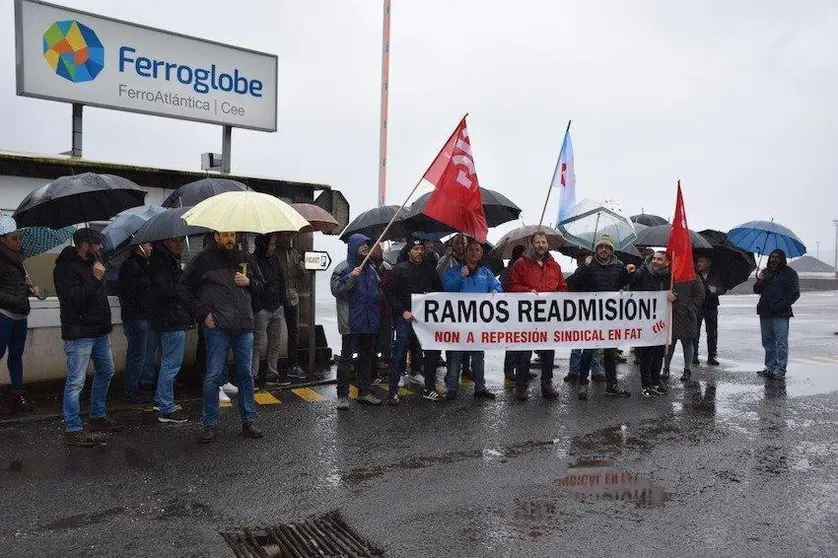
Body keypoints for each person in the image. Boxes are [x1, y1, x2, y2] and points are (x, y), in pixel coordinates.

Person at [178, 230, 265, 444]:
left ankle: (249, 421)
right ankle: (209, 424)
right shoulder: (202, 260)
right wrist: (201, 314)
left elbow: (263, 287)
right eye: (225, 235)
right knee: (213, 376)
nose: (230, 240)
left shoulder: (245, 258)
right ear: (216, 236)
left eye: (233, 236)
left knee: (246, 374)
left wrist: (249, 282)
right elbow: (182, 288)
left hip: (243, 326)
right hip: (217, 326)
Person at [54, 228, 122, 447]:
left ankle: (97, 416)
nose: (100, 247)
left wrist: (97, 275)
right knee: (76, 381)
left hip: (99, 330)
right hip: (79, 332)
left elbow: (97, 298)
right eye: (97, 243)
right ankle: (73, 428)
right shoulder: (65, 269)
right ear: (83, 244)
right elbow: (74, 299)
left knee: (106, 371)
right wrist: (95, 278)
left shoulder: (95, 263)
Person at [507, 231, 567, 401]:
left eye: (543, 242)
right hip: (527, 317)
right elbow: (512, 286)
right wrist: (527, 291)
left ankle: (546, 384)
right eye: (538, 242)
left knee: (548, 352)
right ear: (532, 244)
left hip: (548, 317)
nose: (541, 245)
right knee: (524, 353)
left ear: (547, 245)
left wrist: (559, 295)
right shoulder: (521, 263)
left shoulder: (554, 266)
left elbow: (562, 286)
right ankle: (521, 386)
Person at [569, 235, 631, 399]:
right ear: (596, 249)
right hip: (591, 317)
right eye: (601, 247)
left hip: (610, 318)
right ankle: (583, 385)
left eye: (607, 247)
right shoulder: (589, 266)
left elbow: (628, 283)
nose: (604, 249)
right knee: (588, 352)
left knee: (610, 353)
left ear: (611, 250)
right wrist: (584, 267)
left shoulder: (619, 267)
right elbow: (574, 284)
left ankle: (612, 385)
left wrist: (625, 287)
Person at [386, 238, 444, 405]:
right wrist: (402, 312)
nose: (419, 252)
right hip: (405, 318)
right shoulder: (399, 270)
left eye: (421, 249)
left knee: (432, 352)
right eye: (416, 249)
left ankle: (430, 388)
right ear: (409, 251)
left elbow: (440, 292)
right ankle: (392, 391)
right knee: (399, 353)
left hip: (426, 320)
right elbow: (390, 293)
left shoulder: (430, 270)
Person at [443, 238, 501, 400]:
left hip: (479, 323)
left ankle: (480, 388)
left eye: (477, 250)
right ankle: (452, 388)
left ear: (481, 254)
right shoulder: (454, 270)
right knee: (456, 356)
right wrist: (460, 277)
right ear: (466, 252)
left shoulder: (486, 273)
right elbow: (447, 288)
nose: (474, 253)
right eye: (471, 250)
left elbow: (496, 286)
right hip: (459, 322)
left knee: (478, 356)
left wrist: (497, 291)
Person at [333, 234, 383, 410]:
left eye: (367, 245)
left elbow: (378, 293)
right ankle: (342, 395)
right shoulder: (343, 268)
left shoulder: (372, 269)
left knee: (366, 357)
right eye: (362, 245)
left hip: (369, 321)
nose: (366, 247)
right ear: (353, 246)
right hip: (351, 321)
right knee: (346, 358)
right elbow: (336, 290)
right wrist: (351, 277)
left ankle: (364, 392)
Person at [147, 236, 194, 424]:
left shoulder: (162, 259)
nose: (179, 244)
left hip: (167, 318)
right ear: (165, 241)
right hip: (171, 319)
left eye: (181, 241)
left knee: (168, 363)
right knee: (171, 364)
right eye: (175, 240)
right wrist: (184, 280)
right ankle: (166, 407)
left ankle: (161, 401)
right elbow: (167, 290)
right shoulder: (163, 262)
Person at [0, 216, 41, 416]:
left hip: (19, 317)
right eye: (15, 238)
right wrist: (16, 300)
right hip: (4, 316)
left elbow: (14, 286)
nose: (19, 241)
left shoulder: (17, 259)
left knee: (16, 356)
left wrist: (29, 289)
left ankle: (17, 394)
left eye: (19, 238)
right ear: (3, 239)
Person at [630, 250, 674, 398]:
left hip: (661, 321)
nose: (655, 261)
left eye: (659, 259)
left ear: (666, 262)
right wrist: (629, 274)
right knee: (646, 354)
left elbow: (675, 294)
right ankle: (646, 384)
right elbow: (632, 285)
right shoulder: (642, 272)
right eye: (654, 258)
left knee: (659, 353)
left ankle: (656, 382)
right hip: (644, 320)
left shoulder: (669, 276)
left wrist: (674, 297)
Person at [117, 242, 155, 404]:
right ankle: (131, 389)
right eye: (148, 245)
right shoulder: (131, 266)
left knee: (141, 353)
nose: (151, 248)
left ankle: (136, 385)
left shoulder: (143, 265)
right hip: (136, 316)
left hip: (142, 315)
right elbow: (133, 293)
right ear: (139, 247)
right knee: (137, 353)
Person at [251, 233, 290, 387]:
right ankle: (252, 376)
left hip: (276, 307)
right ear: (263, 245)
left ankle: (272, 374)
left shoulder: (274, 260)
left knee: (275, 343)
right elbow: (251, 285)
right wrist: (257, 307)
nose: (273, 247)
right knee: (256, 344)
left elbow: (281, 282)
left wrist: (282, 303)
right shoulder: (252, 260)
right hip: (261, 309)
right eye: (271, 244)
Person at [754, 249, 800, 380]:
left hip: (781, 314)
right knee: (767, 342)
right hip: (765, 312)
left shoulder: (790, 274)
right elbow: (756, 290)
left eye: (777, 257)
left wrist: (781, 305)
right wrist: (760, 280)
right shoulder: (765, 272)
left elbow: (795, 294)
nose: (774, 259)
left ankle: (780, 369)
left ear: (782, 259)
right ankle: (770, 367)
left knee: (781, 342)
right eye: (772, 257)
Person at [565, 252, 603, 384]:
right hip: (579, 313)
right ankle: (574, 371)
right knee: (577, 343)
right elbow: (571, 284)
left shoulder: (599, 273)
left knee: (594, 343)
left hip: (594, 312)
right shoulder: (578, 273)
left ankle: (596, 371)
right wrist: (585, 268)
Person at [276, 232, 307, 380]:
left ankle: (293, 364)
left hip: (293, 298)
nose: (288, 239)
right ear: (278, 236)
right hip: (276, 298)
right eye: (285, 236)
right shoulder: (274, 253)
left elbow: (301, 276)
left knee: (294, 332)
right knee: (273, 333)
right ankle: (272, 368)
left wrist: (301, 268)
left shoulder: (294, 253)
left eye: (290, 236)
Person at [662, 272, 705, 382]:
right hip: (671, 314)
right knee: (669, 343)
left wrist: (689, 308)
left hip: (687, 316)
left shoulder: (694, 278)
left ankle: (687, 369)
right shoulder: (670, 275)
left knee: (687, 342)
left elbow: (700, 296)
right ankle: (666, 368)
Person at [692, 255, 726, 366]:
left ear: (708, 263)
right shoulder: (694, 274)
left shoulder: (716, 274)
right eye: (698, 262)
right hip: (698, 306)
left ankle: (712, 356)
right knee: (695, 332)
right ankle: (694, 355)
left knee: (712, 332)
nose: (699, 263)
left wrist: (716, 290)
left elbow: (723, 288)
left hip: (711, 306)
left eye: (701, 262)